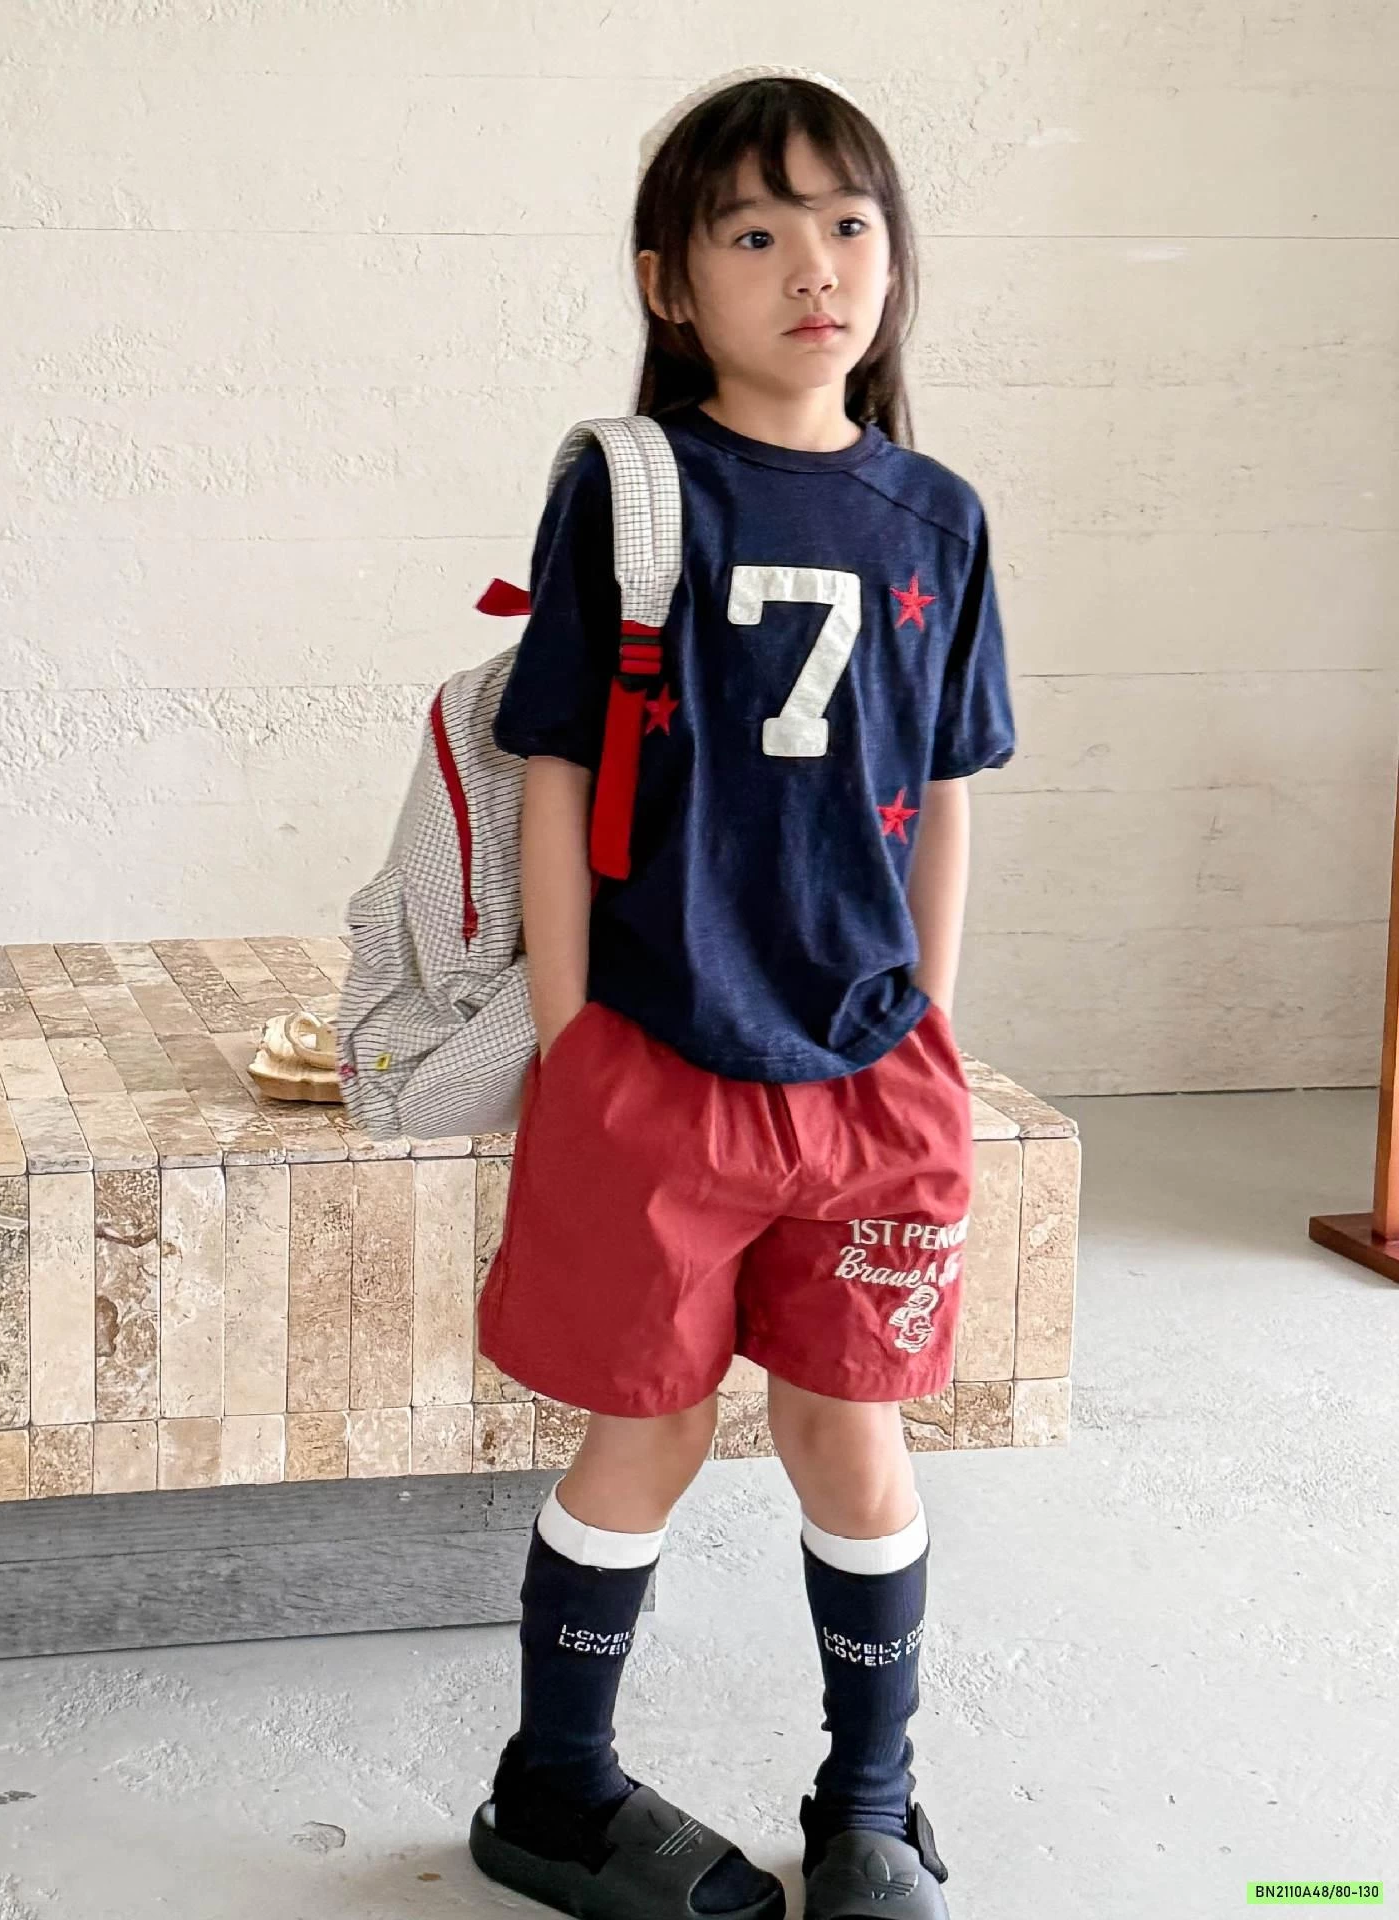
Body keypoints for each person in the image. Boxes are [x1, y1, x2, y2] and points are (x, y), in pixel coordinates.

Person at [468, 67, 1016, 1920]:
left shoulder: (939, 517)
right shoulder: (634, 493)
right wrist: (572, 1037)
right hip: (658, 1060)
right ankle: (554, 1794)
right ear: (668, 280)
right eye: (756, 231)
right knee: (652, 1424)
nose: (814, 265)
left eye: (849, 223)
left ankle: (873, 1804)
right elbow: (554, 766)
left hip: (870, 1073)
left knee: (850, 1429)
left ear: (895, 259)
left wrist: (925, 1020)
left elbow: (947, 792)